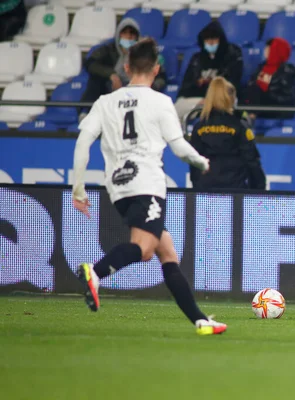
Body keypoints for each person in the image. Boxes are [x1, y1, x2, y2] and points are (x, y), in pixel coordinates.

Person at [71, 38, 227, 336]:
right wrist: (201, 162)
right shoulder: (159, 101)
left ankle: (200, 321)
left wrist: (78, 188)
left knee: (166, 251)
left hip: (118, 188)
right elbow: (179, 147)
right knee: (144, 250)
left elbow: (83, 142)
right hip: (147, 183)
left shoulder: (105, 102)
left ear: (127, 67)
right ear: (156, 69)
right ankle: (96, 272)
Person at [189, 77, 266, 190]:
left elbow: (194, 163)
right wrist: (259, 189)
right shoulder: (239, 126)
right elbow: (251, 161)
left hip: (205, 191)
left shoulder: (199, 128)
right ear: (230, 98)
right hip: (235, 192)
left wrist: (198, 187)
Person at [81, 18, 167, 108]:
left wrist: (148, 88)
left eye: (132, 33)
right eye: (125, 33)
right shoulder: (108, 50)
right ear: (119, 35)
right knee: (95, 80)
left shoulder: (144, 52)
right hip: (111, 89)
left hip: (138, 92)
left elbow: (161, 75)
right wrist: (112, 74)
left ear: (137, 36)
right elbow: (90, 64)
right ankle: (86, 112)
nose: (128, 36)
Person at [175, 21, 243, 121]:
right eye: (207, 39)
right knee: (177, 107)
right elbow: (186, 86)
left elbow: (232, 84)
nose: (211, 43)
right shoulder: (196, 59)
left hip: (221, 97)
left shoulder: (232, 56)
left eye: (214, 39)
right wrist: (198, 84)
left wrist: (211, 94)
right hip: (197, 98)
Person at [244, 37, 295, 121]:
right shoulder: (261, 67)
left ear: (276, 51)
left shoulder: (287, 71)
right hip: (260, 105)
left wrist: (267, 92)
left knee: (256, 89)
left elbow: (288, 98)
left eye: (268, 48)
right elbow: (251, 84)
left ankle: (250, 118)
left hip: (277, 107)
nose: (265, 50)